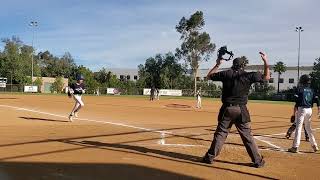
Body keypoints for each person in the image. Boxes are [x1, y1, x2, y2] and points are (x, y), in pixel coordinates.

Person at [202, 51, 270, 168]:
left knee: (221, 134)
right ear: (243, 66)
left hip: (227, 109)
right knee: (247, 136)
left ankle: (210, 157)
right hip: (241, 110)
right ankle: (258, 161)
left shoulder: (227, 74)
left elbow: (209, 76)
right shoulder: (249, 75)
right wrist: (265, 61)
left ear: (233, 65)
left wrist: (217, 64)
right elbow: (267, 77)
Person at [288, 75, 320, 153]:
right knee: (308, 128)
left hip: (302, 109)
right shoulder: (312, 90)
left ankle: (295, 147)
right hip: (309, 110)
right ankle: (314, 145)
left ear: (303, 81)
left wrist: (294, 113)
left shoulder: (300, 89)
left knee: (298, 128)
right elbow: (317, 100)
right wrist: (319, 110)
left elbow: (296, 101)